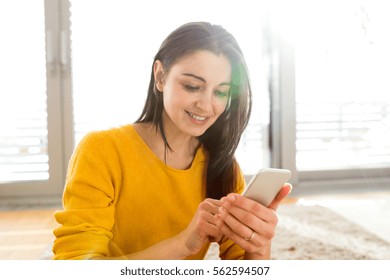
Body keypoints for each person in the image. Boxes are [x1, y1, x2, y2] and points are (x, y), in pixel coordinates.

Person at [52, 21, 292, 260]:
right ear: (160, 76)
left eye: (220, 92)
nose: (206, 105)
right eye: (192, 86)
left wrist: (257, 246)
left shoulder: (223, 168)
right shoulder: (101, 151)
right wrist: (182, 245)